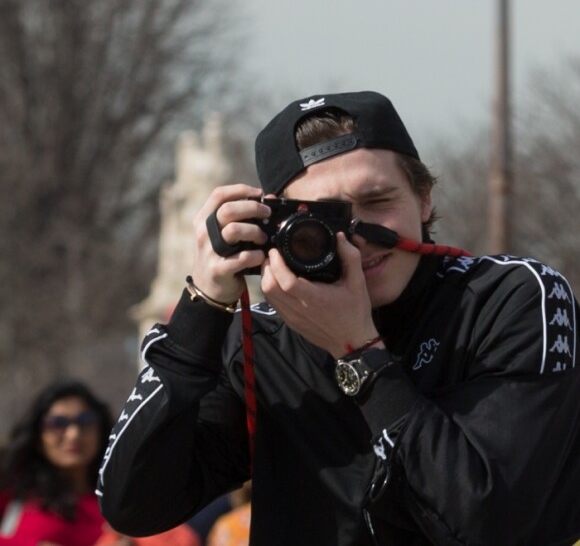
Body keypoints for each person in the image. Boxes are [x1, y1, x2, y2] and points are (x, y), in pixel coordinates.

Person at [97, 91, 580, 545]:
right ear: (275, 229)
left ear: (425, 197)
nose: (357, 237)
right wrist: (201, 310)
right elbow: (133, 504)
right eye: (323, 218)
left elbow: (493, 522)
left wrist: (360, 355)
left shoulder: (509, 299)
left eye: (377, 202)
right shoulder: (263, 342)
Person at [0, 379, 113, 545]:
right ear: (38, 437)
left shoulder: (119, 500)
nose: (73, 434)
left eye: (86, 421)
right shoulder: (13, 488)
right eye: (57, 423)